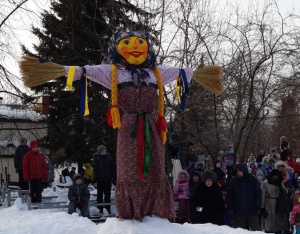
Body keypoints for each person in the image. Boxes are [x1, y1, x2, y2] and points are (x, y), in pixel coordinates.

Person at [20, 31, 223, 221]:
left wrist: (196, 74)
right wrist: (64, 70)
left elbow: (180, 73)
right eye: (127, 43)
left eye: (140, 43)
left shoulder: (155, 73)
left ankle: (155, 214)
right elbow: (86, 71)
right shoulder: (114, 72)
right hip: (128, 129)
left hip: (152, 128)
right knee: (128, 169)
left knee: (156, 168)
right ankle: (131, 216)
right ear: (116, 49)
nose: (135, 47)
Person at [227, 163, 262, 231]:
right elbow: (230, 195)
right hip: (238, 210)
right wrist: (230, 208)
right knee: (240, 233)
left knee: (256, 232)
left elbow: (258, 193)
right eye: (237, 171)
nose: (238, 173)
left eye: (240, 171)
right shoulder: (233, 181)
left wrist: (257, 206)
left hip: (252, 210)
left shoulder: (252, 179)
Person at [93, 145, 116, 215]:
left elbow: (112, 168)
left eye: (105, 151)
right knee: (99, 195)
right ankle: (100, 209)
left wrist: (113, 176)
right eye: (102, 151)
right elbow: (95, 169)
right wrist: (96, 177)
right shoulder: (97, 159)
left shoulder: (109, 158)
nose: (104, 152)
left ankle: (107, 208)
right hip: (100, 180)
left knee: (107, 195)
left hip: (108, 179)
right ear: (99, 152)